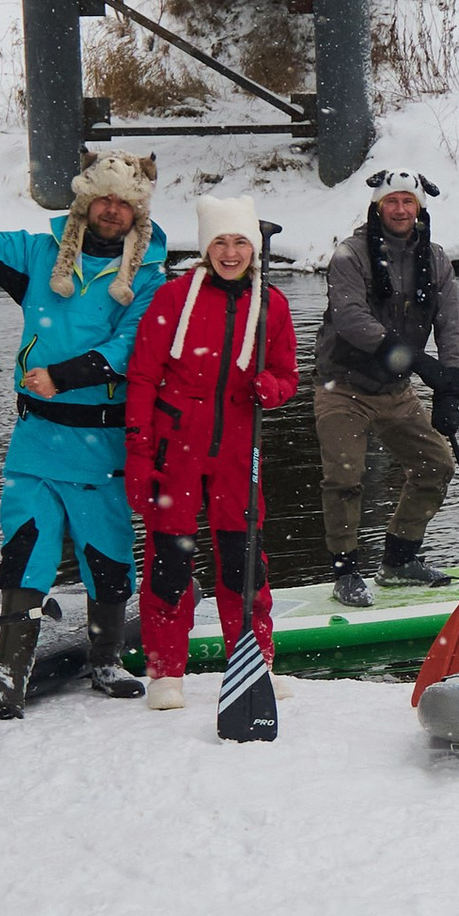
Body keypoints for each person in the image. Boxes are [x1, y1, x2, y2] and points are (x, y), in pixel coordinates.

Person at [0, 133, 167, 709]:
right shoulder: (39, 254)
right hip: (36, 439)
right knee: (25, 548)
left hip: (102, 442)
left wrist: (66, 375)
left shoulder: (151, 275)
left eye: (124, 202)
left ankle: (105, 661)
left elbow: (133, 344)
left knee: (105, 554)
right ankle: (10, 671)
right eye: (102, 198)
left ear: (137, 210)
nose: (112, 210)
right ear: (85, 202)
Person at [124, 196, 300, 707]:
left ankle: (254, 662)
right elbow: (141, 377)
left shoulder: (272, 305)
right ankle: (165, 672)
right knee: (169, 564)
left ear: (255, 248)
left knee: (244, 564)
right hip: (174, 449)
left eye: (240, 241)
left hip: (239, 452)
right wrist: (138, 453)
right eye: (220, 242)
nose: (230, 251)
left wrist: (274, 388)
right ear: (205, 248)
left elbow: (288, 375)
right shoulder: (173, 299)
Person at [314, 167, 459, 607]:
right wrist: (419, 362)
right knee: (344, 477)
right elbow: (352, 320)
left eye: (408, 202)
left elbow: (451, 324)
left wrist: (449, 387)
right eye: (391, 202)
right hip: (342, 385)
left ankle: (399, 562)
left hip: (396, 391)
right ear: (378, 207)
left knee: (435, 466)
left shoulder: (435, 259)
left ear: (419, 208)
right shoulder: (350, 254)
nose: (399, 209)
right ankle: (345, 573)